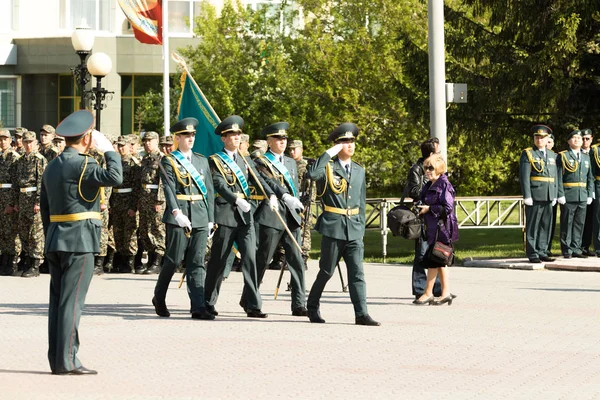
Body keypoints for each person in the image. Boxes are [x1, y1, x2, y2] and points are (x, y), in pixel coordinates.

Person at [40, 109, 122, 375]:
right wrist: (109, 151)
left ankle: (57, 359)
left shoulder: (51, 165)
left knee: (58, 302)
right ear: (87, 139)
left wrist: (53, 234)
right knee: (73, 302)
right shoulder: (85, 164)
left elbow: (44, 208)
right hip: (80, 240)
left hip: (56, 238)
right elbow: (116, 178)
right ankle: (67, 361)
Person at [306, 122, 379, 326]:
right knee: (327, 271)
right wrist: (327, 153)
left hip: (354, 228)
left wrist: (361, 227)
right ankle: (312, 307)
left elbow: (361, 201)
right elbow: (312, 174)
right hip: (334, 226)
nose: (350, 145)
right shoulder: (328, 167)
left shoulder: (359, 170)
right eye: (345, 142)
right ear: (337, 145)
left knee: (357, 273)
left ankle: (361, 313)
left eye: (352, 141)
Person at [204, 115, 275, 319]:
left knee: (250, 259)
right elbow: (218, 184)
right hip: (227, 214)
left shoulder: (245, 160)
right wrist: (235, 199)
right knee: (219, 261)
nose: (236, 138)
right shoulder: (216, 160)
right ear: (224, 138)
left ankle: (252, 304)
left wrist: (272, 194)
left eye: (238, 135)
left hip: (246, 217)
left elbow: (260, 179)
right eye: (232, 135)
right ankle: (208, 302)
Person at [152, 118, 215, 320]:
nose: (190, 138)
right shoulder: (169, 161)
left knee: (197, 262)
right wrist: (176, 213)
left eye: (192, 135)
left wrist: (211, 218)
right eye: (186, 135)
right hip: (180, 216)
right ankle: (159, 297)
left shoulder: (201, 160)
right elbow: (169, 189)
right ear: (177, 138)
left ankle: (198, 307)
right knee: (173, 260)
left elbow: (210, 192)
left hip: (200, 216)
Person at [241, 122, 307, 316]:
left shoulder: (291, 163)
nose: (282, 142)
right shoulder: (260, 161)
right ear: (269, 141)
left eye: (284, 138)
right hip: (271, 217)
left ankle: (299, 304)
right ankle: (250, 301)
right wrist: (281, 196)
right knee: (262, 260)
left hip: (291, 218)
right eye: (278, 139)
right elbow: (267, 182)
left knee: (297, 260)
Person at [414, 154, 459, 306]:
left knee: (437, 259)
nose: (427, 171)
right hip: (432, 227)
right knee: (438, 260)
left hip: (443, 228)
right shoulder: (429, 185)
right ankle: (443, 293)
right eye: (426, 168)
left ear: (439, 169)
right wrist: (420, 206)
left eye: (431, 168)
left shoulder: (445, 185)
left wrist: (429, 209)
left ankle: (429, 293)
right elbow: (423, 199)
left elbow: (447, 208)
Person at [404, 138, 442, 300]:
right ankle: (420, 289)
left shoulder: (438, 168)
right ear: (431, 153)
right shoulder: (417, 169)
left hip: (436, 214)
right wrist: (429, 183)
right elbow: (413, 191)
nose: (440, 154)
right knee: (422, 252)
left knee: (438, 251)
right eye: (438, 151)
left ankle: (438, 289)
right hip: (422, 215)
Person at [519, 125, 557, 263]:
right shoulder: (528, 153)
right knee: (533, 224)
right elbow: (524, 176)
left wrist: (555, 194)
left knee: (545, 224)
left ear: (548, 139)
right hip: (535, 194)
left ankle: (542, 250)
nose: (539, 139)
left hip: (549, 194)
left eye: (542, 137)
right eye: (537, 137)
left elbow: (555, 177)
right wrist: (527, 195)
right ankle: (532, 252)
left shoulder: (553, 155)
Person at [11, 131, 47, 277]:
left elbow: (42, 182)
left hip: (33, 198)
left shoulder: (39, 160)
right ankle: (27, 259)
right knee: (24, 231)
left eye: (31, 142)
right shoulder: (19, 161)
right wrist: (15, 201)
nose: (28, 144)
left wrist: (38, 201)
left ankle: (36, 263)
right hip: (22, 197)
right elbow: (15, 182)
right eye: (26, 142)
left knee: (36, 232)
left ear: (36, 143)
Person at [557, 130, 594, 258]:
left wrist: (590, 194)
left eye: (579, 137)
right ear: (568, 141)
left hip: (582, 195)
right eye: (574, 138)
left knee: (579, 223)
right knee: (567, 223)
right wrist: (560, 194)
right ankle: (566, 249)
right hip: (568, 194)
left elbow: (590, 177)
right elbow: (558, 177)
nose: (577, 140)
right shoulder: (563, 156)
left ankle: (576, 248)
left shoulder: (586, 157)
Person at [136, 131, 166, 274]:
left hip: (155, 199)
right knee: (145, 229)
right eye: (145, 141)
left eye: (150, 140)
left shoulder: (162, 159)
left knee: (157, 229)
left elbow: (163, 182)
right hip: (144, 197)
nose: (147, 143)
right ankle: (150, 260)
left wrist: (159, 201)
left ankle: (157, 262)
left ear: (156, 142)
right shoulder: (145, 159)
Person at [110, 136, 140, 273]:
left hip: (128, 199)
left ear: (129, 146)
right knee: (118, 231)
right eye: (119, 146)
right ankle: (120, 260)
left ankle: (130, 262)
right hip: (116, 200)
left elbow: (136, 186)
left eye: (124, 145)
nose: (121, 148)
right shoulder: (115, 161)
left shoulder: (134, 163)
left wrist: (133, 206)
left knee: (130, 232)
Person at [0, 129, 21, 276]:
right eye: (0, 139)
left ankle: (13, 261)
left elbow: (15, 182)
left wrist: (12, 202)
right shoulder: (0, 156)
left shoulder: (14, 157)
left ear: (10, 141)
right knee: (2, 230)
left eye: (5, 139)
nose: (2, 142)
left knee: (11, 230)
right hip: (1, 195)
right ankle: (5, 259)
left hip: (9, 195)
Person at [580, 129, 594, 255]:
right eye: (583, 138)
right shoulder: (576, 153)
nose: (585, 141)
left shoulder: (595, 152)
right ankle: (580, 246)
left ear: (591, 139)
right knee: (582, 219)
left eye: (587, 139)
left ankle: (587, 246)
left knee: (592, 219)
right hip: (582, 191)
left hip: (595, 190)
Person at [545, 134, 558, 256]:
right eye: (546, 141)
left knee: (551, 222)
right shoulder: (534, 154)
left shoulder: (556, 157)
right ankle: (540, 248)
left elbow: (558, 176)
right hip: (541, 193)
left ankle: (547, 248)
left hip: (552, 194)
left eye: (550, 142)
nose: (547, 144)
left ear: (553, 144)